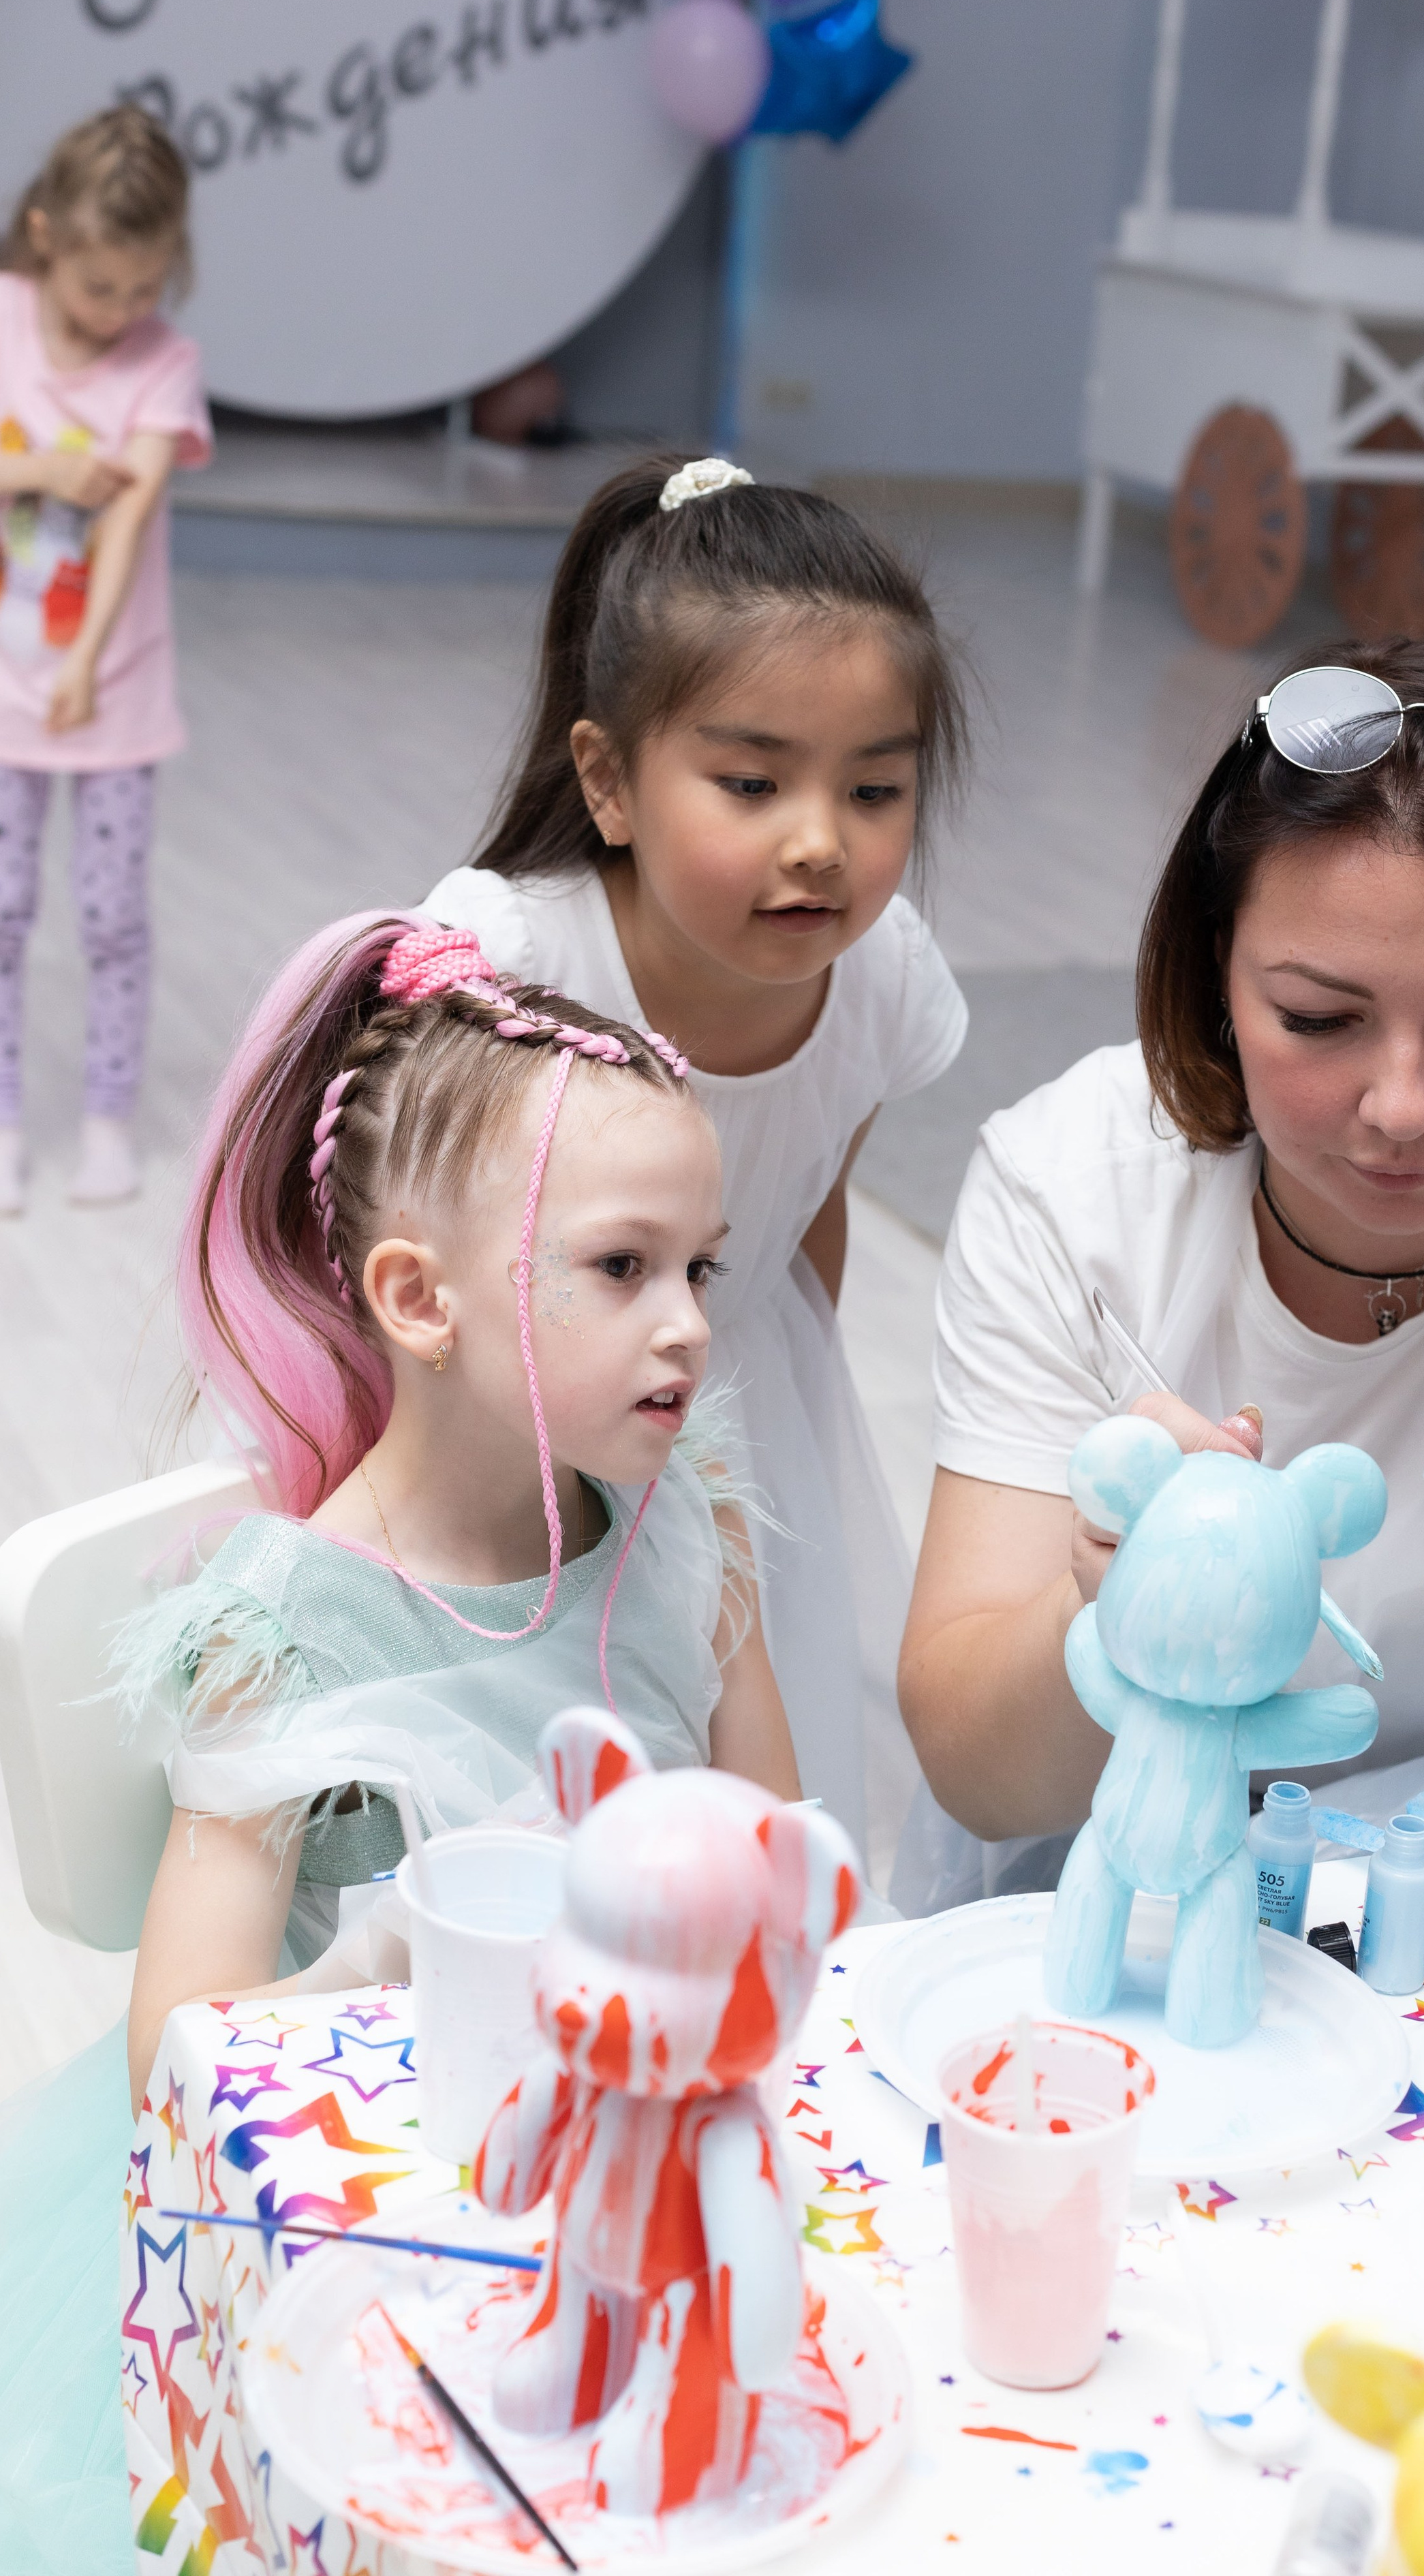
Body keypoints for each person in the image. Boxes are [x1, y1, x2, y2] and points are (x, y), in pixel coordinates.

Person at [0, 914, 796, 2573]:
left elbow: (771, 1839)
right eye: (622, 1268)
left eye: (698, 1269)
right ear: (420, 1299)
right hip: (367, 2213)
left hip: (640, 2165)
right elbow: (177, 2051)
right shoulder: (284, 1627)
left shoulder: (681, 1525)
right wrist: (380, 1958)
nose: (688, 1325)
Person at [899, 638, 1424, 1902]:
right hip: (1124, 1891)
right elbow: (976, 1769)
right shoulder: (1072, 1190)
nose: (1403, 1107)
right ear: (1216, 974)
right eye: (1321, 1019)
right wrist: (1116, 1608)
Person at [423, 452, 970, 1877]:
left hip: (738, 1403)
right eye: (752, 783)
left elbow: (805, 1223)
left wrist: (789, 1424)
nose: (821, 843)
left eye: (875, 789)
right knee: (527, 1796)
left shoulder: (880, 978)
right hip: (510, 1420)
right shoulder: (511, 960)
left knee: (742, 1810)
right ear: (608, 780)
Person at [0, 104, 211, 1215]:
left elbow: (126, 522)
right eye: (98, 288)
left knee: (112, 914)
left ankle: (109, 1120)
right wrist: (38, 474)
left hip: (110, 690)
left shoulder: (166, 363)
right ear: (46, 237)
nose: (121, 312)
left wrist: (81, 665)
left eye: (144, 287)